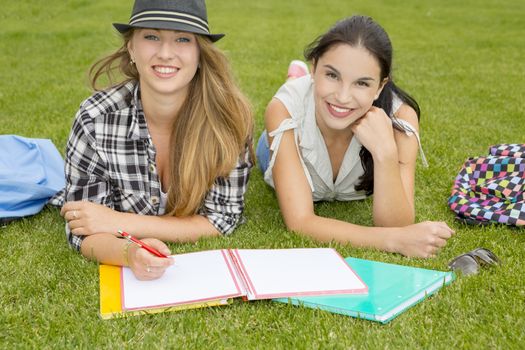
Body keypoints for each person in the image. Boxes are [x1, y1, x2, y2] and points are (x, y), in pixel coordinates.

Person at [59, 0, 253, 280]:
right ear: (131, 48)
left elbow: (223, 219)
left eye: (182, 39)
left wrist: (118, 221)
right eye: (151, 36)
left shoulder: (228, 118)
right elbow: (82, 229)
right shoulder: (95, 119)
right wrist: (129, 253)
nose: (165, 53)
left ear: (200, 53)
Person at [256, 15, 453, 258]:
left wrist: (385, 153)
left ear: (380, 87)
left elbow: (397, 223)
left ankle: (301, 78)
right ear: (315, 68)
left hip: (327, 106)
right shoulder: (283, 110)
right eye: (332, 75)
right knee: (272, 135)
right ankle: (296, 81)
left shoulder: (401, 120)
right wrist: (393, 241)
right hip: (276, 143)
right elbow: (300, 222)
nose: (343, 96)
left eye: (361, 83)